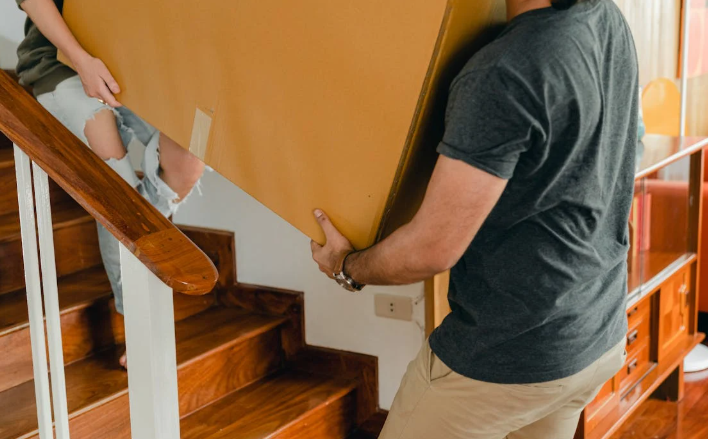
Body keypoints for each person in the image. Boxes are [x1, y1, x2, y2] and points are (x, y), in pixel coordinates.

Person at [311, 0, 638, 437]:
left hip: (507, 359)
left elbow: (432, 248)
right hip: (594, 337)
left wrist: (347, 267)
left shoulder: (505, 71)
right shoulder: (607, 18)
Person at [15, 0, 205, 368]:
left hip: (133, 62)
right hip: (60, 63)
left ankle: (138, 241)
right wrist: (82, 61)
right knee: (118, 194)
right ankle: (137, 323)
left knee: (188, 161)